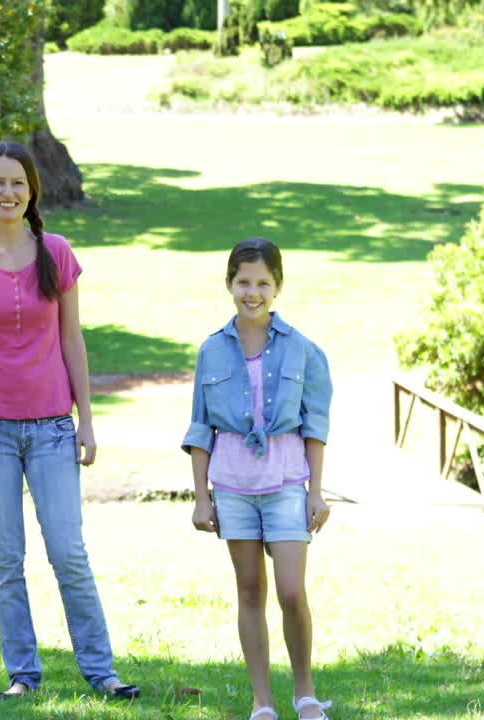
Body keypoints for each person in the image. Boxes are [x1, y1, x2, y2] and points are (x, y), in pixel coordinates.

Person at [0, 140, 139, 700]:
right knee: (6, 558)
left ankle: (102, 673)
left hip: (52, 425)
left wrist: (87, 420)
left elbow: (72, 339)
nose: (8, 193)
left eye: (18, 184)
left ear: (32, 192)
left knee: (68, 551)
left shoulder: (57, 251)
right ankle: (23, 675)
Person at [182, 237, 334, 720]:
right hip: (232, 487)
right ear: (230, 284)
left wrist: (316, 491)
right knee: (250, 590)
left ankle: (305, 693)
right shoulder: (210, 350)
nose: (252, 292)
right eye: (243, 282)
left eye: (262, 283)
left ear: (278, 286)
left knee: (291, 590)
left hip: (288, 481)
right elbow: (199, 427)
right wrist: (201, 498)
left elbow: (315, 424)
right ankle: (262, 702)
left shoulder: (304, 350)